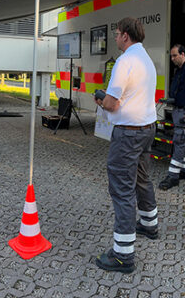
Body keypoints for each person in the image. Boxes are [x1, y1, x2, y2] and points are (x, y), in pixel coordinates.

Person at [93, 17, 158, 273]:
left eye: (118, 34)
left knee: (122, 189)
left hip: (128, 132)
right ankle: (150, 224)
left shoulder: (125, 61)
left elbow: (112, 103)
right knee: (142, 178)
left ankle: (123, 255)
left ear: (126, 36)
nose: (116, 37)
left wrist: (101, 101)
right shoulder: (146, 60)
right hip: (147, 128)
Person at [159, 44, 185, 190]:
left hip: (182, 112)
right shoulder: (179, 70)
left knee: (179, 142)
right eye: (172, 56)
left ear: (183, 54)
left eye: (175, 55)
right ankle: (183, 170)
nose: (172, 58)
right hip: (178, 110)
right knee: (183, 143)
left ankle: (173, 177)